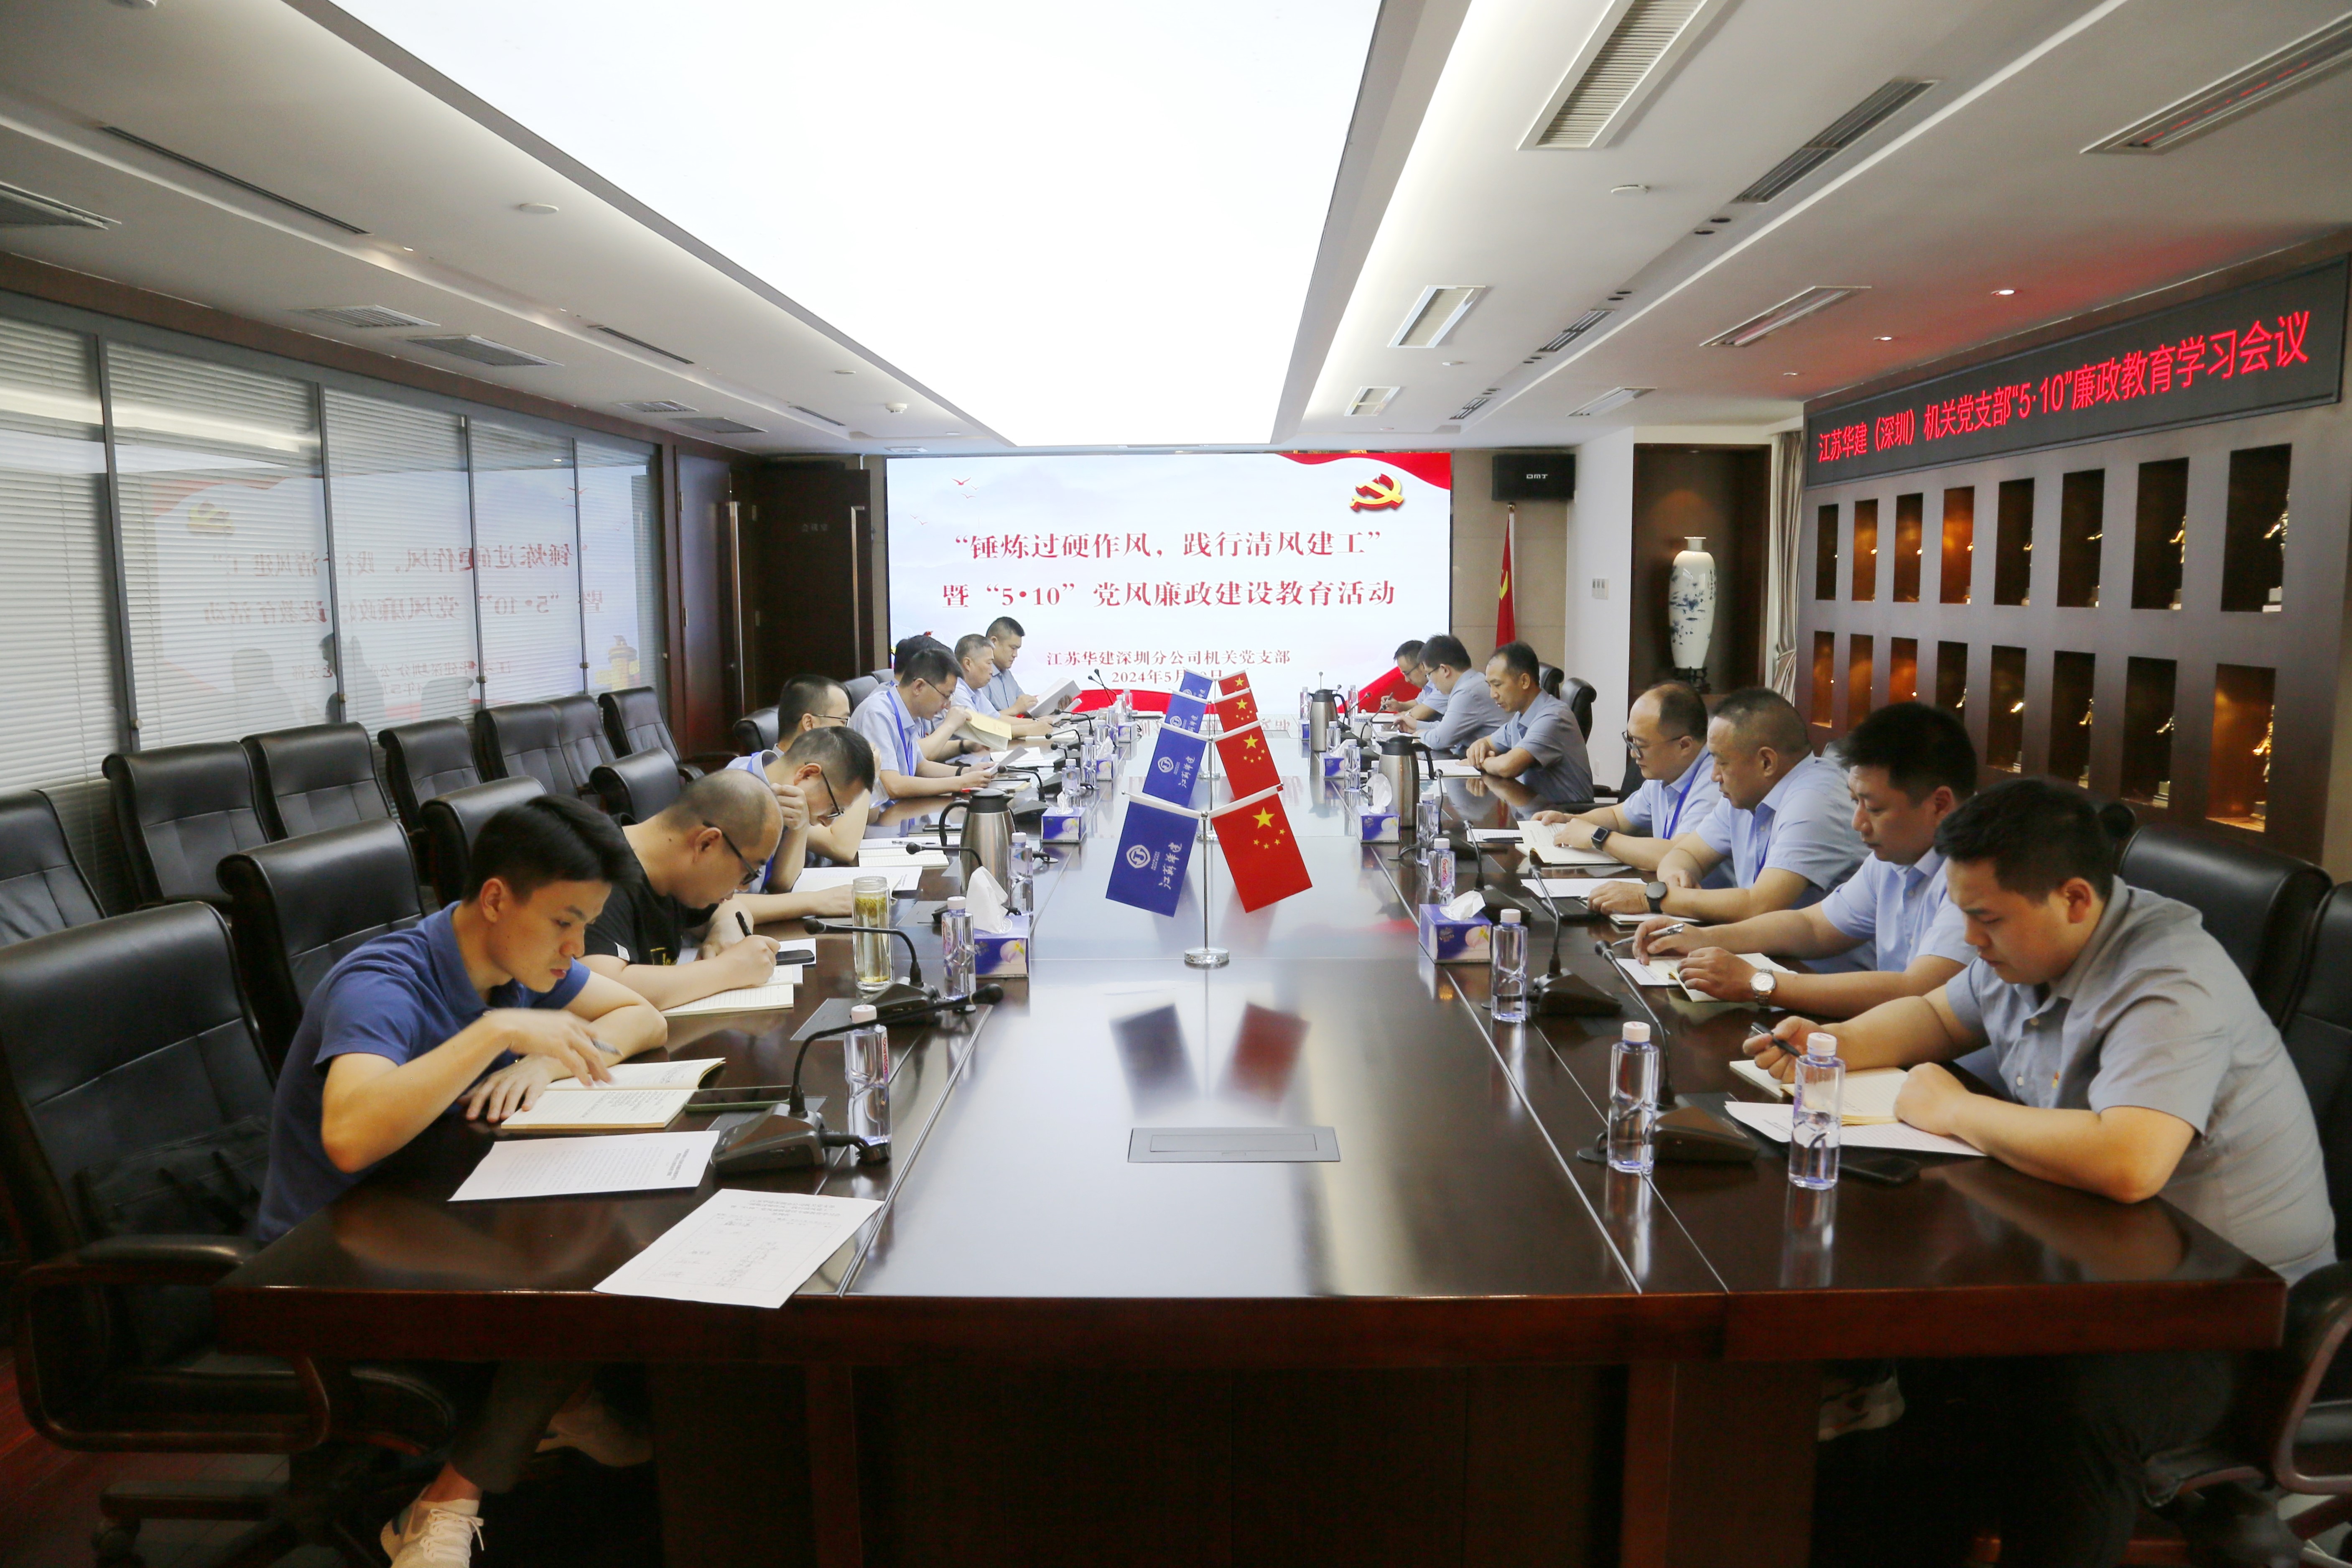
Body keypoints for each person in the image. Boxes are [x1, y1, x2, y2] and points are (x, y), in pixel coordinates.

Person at [1752, 778, 2334, 1568]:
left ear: (2074, 899)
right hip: (2102, 1266)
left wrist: (1955, 1109)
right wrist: (1831, 1046)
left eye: (1986, 919)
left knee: (2068, 1407)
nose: (1970, 937)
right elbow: (1936, 1015)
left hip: (2235, 1319)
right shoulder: (2024, 942)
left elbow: (2129, 1160)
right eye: (1963, 914)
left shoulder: (2168, 978)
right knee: (1927, 1347)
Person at [255, 795, 670, 1567]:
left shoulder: (519, 962)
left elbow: (642, 1016)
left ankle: (564, 1403)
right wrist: (497, 1032)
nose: (577, 947)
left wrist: (549, 1059)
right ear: (496, 899)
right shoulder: (384, 982)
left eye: (586, 924)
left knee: (611, 1238)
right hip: (330, 1253)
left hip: (432, 1207)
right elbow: (349, 1135)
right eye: (565, 921)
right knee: (576, 1279)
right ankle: (451, 1499)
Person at [1635, 700, 1977, 1015]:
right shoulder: (1893, 856)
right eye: (1855, 802)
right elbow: (1812, 927)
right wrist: (1704, 938)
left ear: (1939, 805)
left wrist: (1758, 982)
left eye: (1873, 808)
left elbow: (1918, 991)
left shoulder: (1976, 870)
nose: (1857, 822)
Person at [1585, 687, 1864, 925]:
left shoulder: (1814, 801)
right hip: (1760, 951)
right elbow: (1685, 853)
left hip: (1811, 968)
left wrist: (1655, 898)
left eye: (1722, 762)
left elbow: (1760, 905)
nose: (1713, 775)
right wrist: (1675, 879)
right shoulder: (1745, 793)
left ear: (1766, 762)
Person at [580, 770, 795, 1009]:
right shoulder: (599, 869)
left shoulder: (672, 869)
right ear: (706, 843)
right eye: (748, 873)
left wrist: (725, 930)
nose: (741, 888)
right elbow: (599, 988)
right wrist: (729, 969)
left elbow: (729, 909)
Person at [1534, 683, 1722, 879]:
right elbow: (1617, 817)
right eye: (1631, 741)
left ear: (1684, 746)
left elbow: (1679, 857)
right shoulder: (1666, 773)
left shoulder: (1716, 784)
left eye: (1640, 745)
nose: (1633, 754)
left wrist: (1598, 837)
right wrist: (1569, 820)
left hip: (1703, 896)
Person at [723, 727, 877, 915]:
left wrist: (801, 826)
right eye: (833, 808)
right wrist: (817, 902)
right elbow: (717, 906)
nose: (828, 823)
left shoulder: (779, 788)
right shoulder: (735, 799)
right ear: (807, 775)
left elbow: (782, 884)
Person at [850, 642, 993, 804]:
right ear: (919, 686)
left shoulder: (912, 712)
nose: (947, 706)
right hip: (883, 816)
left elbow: (920, 766)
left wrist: (967, 772)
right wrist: (961, 783)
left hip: (905, 808)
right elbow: (893, 786)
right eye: (946, 696)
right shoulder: (877, 714)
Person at [1463, 641, 1593, 807]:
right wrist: (1479, 747)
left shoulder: (1553, 718)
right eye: (1490, 686)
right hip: (1535, 809)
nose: (1493, 694)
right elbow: (1488, 742)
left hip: (1567, 815)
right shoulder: (1521, 716)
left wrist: (1481, 762)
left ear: (1524, 681)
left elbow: (1508, 767)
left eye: (1498, 685)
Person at [760, 673, 872, 864]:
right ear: (810, 724)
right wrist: (865, 772)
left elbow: (872, 816)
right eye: (843, 721)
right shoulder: (780, 780)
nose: (848, 731)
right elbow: (843, 847)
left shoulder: (828, 771)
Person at [1402, 634, 1506, 755]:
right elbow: (1448, 727)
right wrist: (1417, 726)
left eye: (1429, 674)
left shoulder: (1467, 692)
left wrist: (1420, 735)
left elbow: (1440, 740)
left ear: (1445, 670)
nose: (1431, 681)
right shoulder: (1473, 681)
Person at [953, 632, 1051, 738]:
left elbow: (996, 719)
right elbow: (980, 732)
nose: (992, 671)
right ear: (968, 664)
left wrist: (1036, 722)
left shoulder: (976, 691)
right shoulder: (957, 691)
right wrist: (1029, 729)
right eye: (989, 663)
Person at [984, 615, 1034, 715]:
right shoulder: (980, 675)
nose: (1015, 655)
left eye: (1017, 649)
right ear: (993, 642)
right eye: (1013, 648)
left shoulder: (1007, 675)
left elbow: (1027, 706)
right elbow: (983, 720)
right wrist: (1015, 710)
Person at [1377, 640, 1426, 712]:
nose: (1407, 680)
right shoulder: (1428, 688)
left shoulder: (1439, 688)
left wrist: (1404, 715)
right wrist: (1399, 706)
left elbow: (1422, 711)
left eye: (1408, 674)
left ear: (1422, 666)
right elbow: (1419, 703)